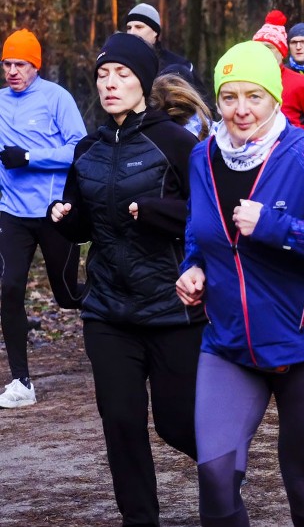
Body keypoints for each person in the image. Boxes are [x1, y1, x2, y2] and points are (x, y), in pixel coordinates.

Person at [175, 40, 304, 526]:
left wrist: (277, 228)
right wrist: (192, 267)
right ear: (216, 100)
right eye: (229, 96)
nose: (241, 110)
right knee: (216, 480)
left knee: (301, 481)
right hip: (228, 346)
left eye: (254, 96)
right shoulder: (202, 157)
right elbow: (198, 231)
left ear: (275, 98)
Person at [49, 32, 206, 525]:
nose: (110, 84)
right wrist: (67, 218)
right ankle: (140, 519)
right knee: (120, 422)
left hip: (171, 308)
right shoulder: (88, 148)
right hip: (109, 311)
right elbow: (86, 223)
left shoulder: (176, 143)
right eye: (102, 75)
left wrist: (159, 212)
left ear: (143, 82)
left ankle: (225, 472)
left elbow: (207, 216)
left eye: (121, 74)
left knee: (179, 425)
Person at [0, 29, 86, 408]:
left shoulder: (57, 98)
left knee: (67, 296)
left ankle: (124, 324)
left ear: (36, 65)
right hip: (11, 213)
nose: (13, 71)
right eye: (7, 64)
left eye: (21, 64)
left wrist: (31, 157)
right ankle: (21, 381)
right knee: (8, 287)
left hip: (54, 212)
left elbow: (80, 149)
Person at [253, 9, 304, 141]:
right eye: (257, 47)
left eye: (268, 47)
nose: (261, 52)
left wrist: (292, 131)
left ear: (281, 51)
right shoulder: (246, 80)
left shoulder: (299, 82)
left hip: (288, 155)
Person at [125, 3, 206, 90]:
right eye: (129, 28)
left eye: (139, 27)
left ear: (155, 32)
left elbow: (202, 101)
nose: (132, 33)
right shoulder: (120, 63)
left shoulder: (179, 65)